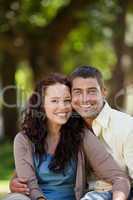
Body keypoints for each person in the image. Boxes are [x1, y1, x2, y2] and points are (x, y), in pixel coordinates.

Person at [6, 72, 130, 200]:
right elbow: (29, 186)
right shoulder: (23, 139)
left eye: (67, 100)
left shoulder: (81, 135)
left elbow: (119, 177)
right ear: (41, 105)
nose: (63, 107)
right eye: (54, 101)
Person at [69, 65, 133, 200]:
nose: (85, 99)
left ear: (104, 92)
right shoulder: (68, 125)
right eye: (78, 92)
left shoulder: (127, 126)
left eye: (92, 91)